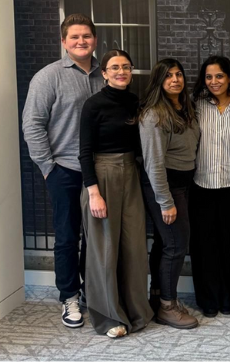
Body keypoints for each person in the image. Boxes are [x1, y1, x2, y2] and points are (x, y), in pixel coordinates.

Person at [22, 13, 103, 329]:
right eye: (74, 37)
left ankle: (88, 291)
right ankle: (69, 296)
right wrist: (48, 168)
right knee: (68, 237)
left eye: (86, 36)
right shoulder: (48, 77)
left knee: (95, 237)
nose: (81, 41)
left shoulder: (105, 75)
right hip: (65, 170)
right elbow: (33, 124)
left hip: (99, 170)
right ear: (64, 42)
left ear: (95, 39)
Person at [79, 49, 153, 338]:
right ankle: (110, 318)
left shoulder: (136, 103)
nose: (121, 71)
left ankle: (136, 310)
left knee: (134, 247)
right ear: (104, 73)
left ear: (131, 70)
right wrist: (94, 193)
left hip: (130, 174)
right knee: (105, 250)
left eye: (126, 66)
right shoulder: (93, 105)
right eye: (114, 67)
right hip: (102, 175)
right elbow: (84, 151)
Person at [138, 58, 200, 330]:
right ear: (159, 82)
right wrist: (166, 202)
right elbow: (153, 163)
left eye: (178, 74)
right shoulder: (154, 115)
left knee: (165, 244)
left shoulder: (185, 108)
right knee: (176, 246)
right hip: (165, 189)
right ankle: (167, 307)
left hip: (182, 186)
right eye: (168, 76)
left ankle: (157, 297)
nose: (175, 79)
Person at [190, 56, 230, 317]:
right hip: (200, 185)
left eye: (219, 76)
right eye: (209, 77)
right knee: (204, 246)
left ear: (229, 78)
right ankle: (207, 300)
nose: (214, 82)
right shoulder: (196, 104)